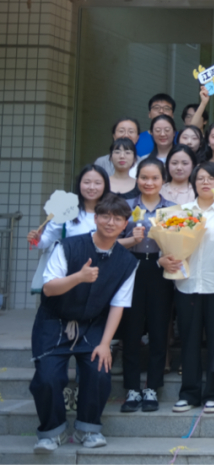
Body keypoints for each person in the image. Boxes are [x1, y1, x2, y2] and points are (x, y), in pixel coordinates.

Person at [30, 194, 137, 454]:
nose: (110, 222)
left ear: (125, 225)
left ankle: (88, 428)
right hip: (53, 321)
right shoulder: (68, 246)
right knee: (47, 378)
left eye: (118, 219)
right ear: (95, 218)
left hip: (93, 324)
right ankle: (51, 432)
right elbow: (49, 289)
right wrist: (78, 277)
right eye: (105, 216)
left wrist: (105, 344)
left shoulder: (127, 262)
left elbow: (118, 305)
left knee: (99, 371)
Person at [170, 162, 214, 415]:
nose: (206, 182)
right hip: (187, 284)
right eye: (200, 179)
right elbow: (171, 245)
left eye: (211, 178)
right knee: (189, 341)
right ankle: (189, 393)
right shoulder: (182, 212)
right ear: (193, 183)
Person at [116, 158, 175, 413]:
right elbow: (111, 241)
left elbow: (181, 241)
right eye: (144, 178)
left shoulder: (172, 209)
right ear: (136, 179)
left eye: (154, 178)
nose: (149, 182)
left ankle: (152, 387)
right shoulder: (125, 207)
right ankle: (131, 387)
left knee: (159, 329)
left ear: (163, 180)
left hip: (160, 268)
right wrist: (131, 239)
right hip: (131, 268)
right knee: (131, 330)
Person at [28, 165, 110, 259]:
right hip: (72, 265)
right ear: (79, 183)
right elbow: (47, 239)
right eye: (87, 182)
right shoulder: (65, 210)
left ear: (105, 185)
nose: (91, 187)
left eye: (97, 183)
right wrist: (37, 239)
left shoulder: (113, 211)